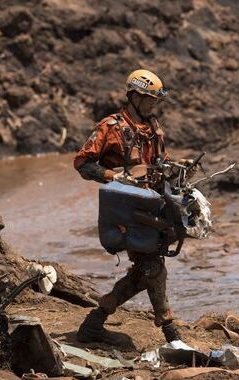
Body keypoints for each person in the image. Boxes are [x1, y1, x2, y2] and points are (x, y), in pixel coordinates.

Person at [73, 69, 184, 345]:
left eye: (155, 101)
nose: (152, 105)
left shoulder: (155, 128)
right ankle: (171, 334)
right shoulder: (110, 127)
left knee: (147, 267)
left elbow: (163, 162)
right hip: (125, 210)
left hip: (153, 206)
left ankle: (94, 322)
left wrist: (177, 171)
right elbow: (82, 163)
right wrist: (113, 176)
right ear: (133, 96)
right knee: (153, 267)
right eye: (148, 99)